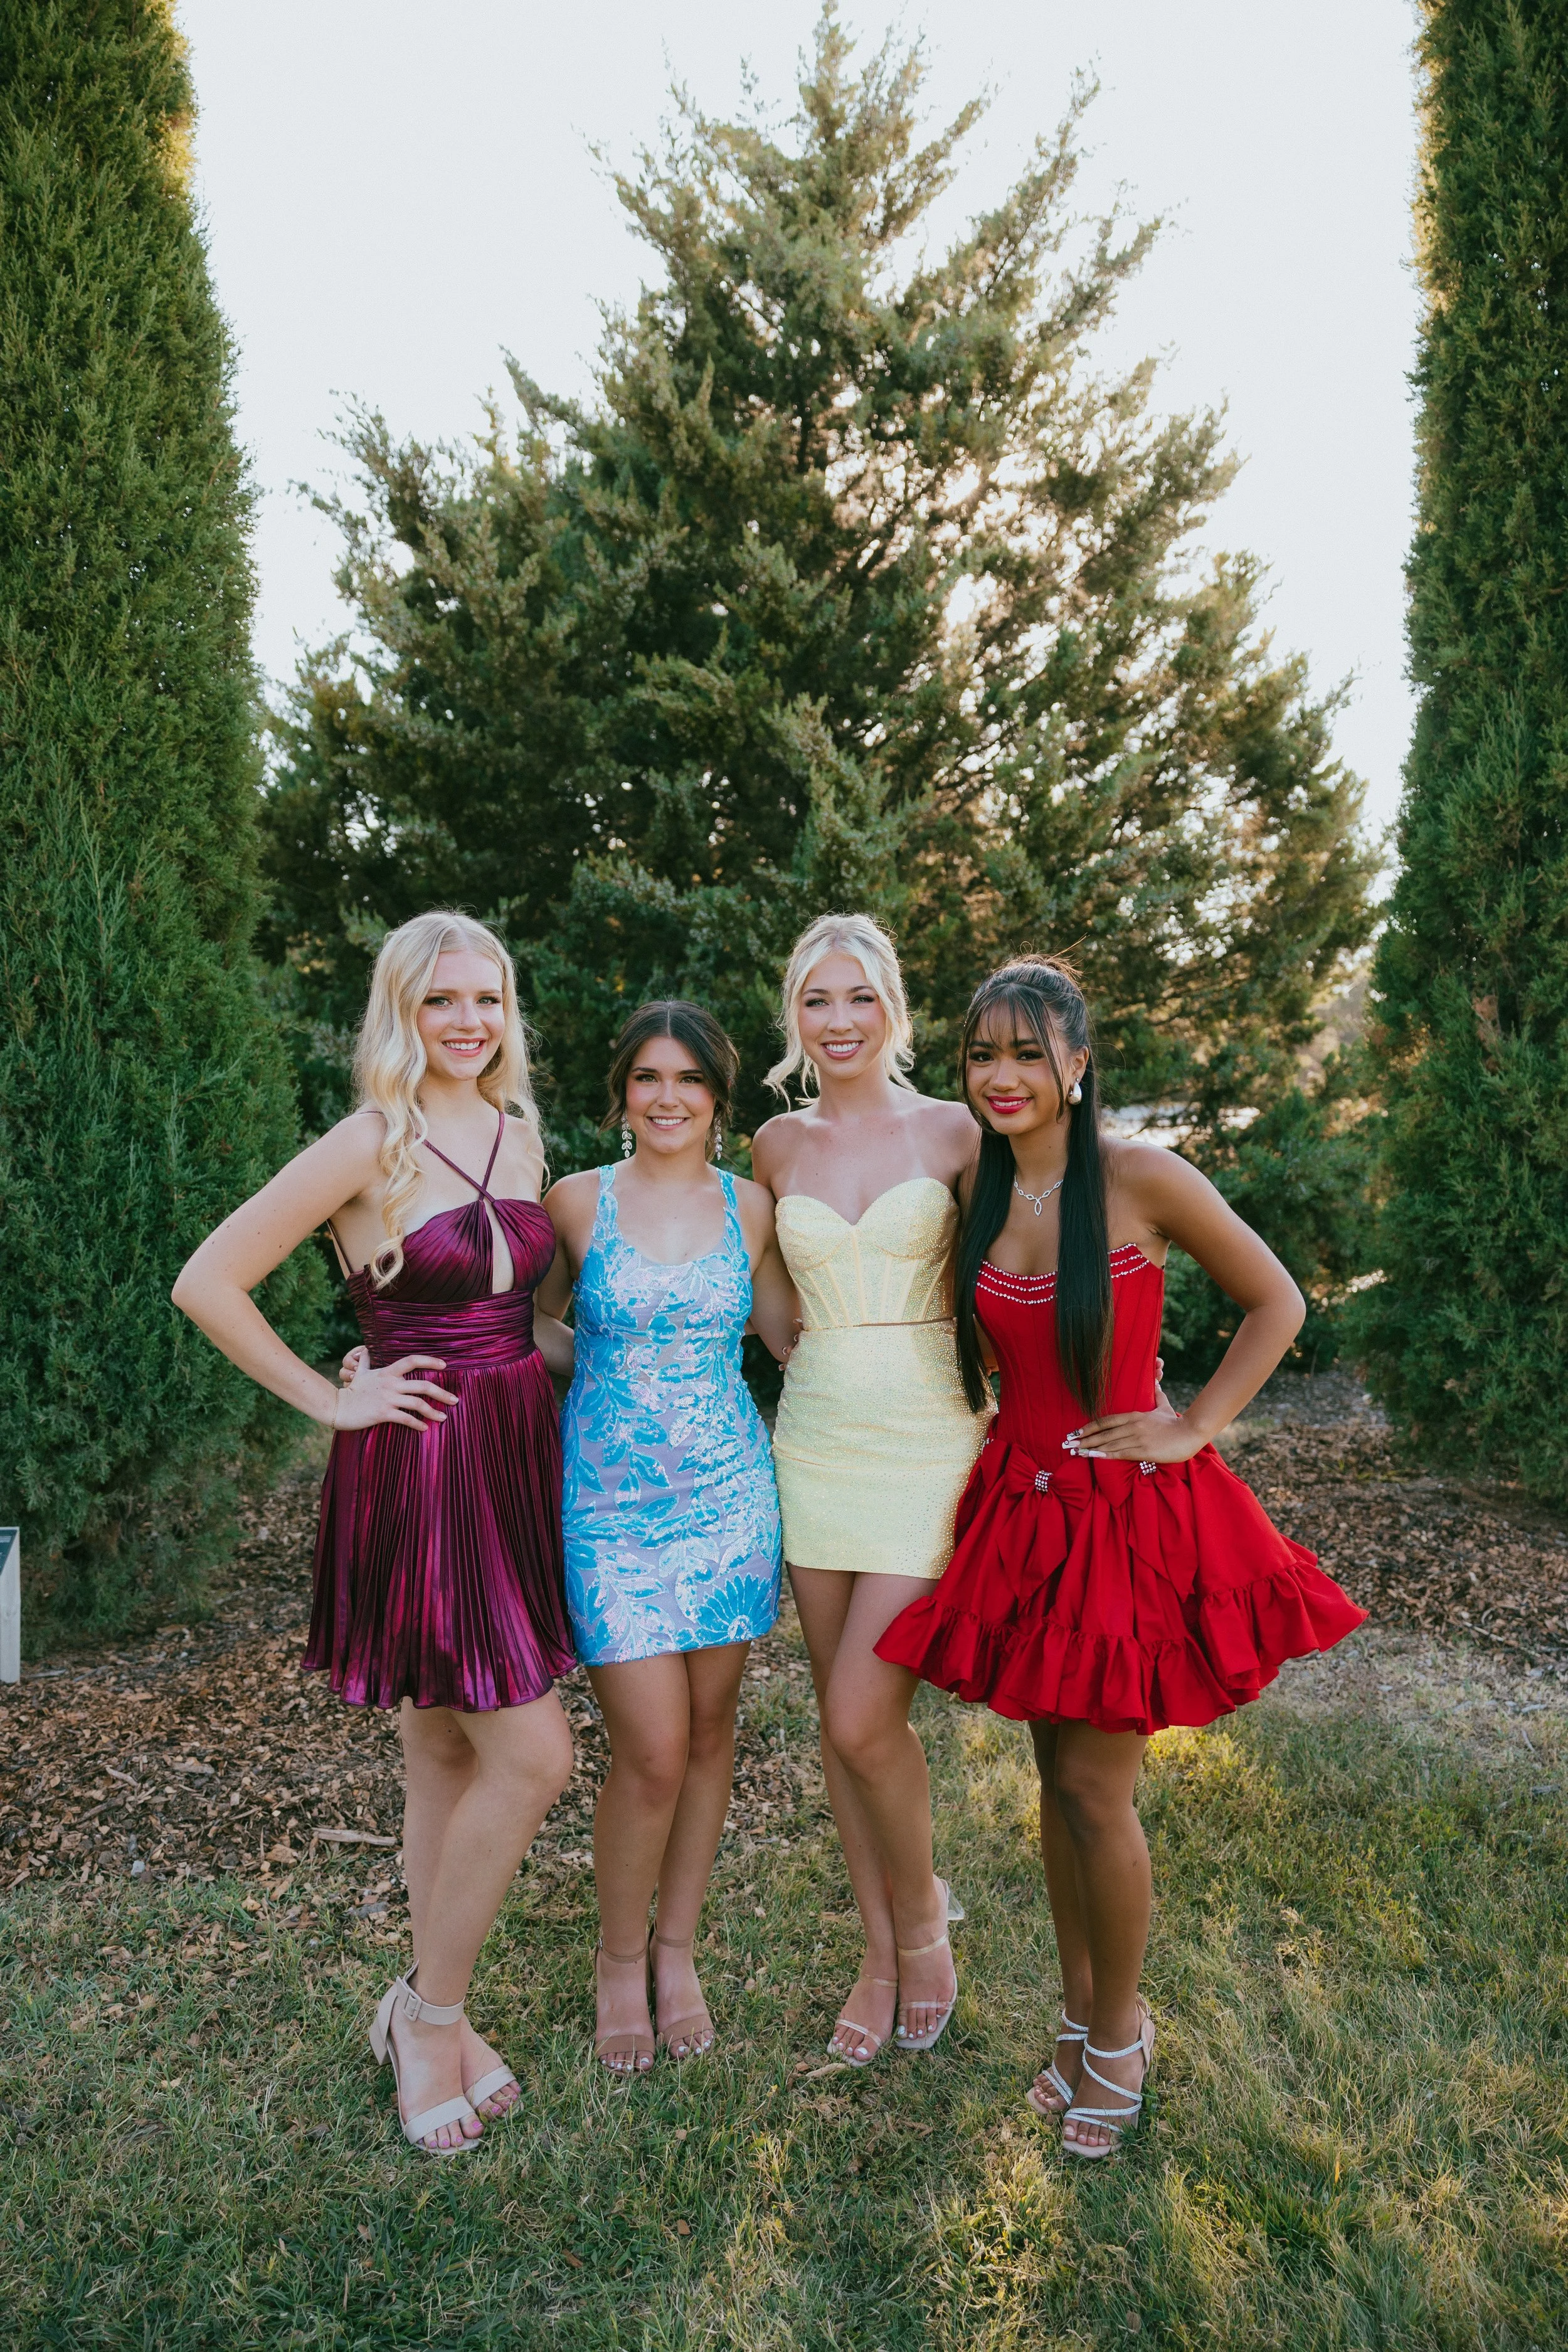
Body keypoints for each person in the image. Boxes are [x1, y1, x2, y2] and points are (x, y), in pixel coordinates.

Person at [877, 955, 1367, 2156]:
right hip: (1025, 1507)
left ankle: (1121, 2033)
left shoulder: (1138, 1176)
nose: (1003, 1075)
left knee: (1099, 1791)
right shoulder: (985, 1188)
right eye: (983, 1053)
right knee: (1057, 1787)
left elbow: (1279, 1301)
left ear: (1079, 1064)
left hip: (1127, 1518)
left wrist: (1193, 1421)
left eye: (1028, 1052)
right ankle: (1081, 2014)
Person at [172, 911, 576, 2157]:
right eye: (441, 1001)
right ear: (400, 1013)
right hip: (419, 1465)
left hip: (509, 1457)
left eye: (487, 1000)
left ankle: (429, 2014)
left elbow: (521, 1320)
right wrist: (333, 1393)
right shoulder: (369, 1140)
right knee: (534, 1755)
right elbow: (207, 1280)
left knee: (443, 1756)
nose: (467, 1022)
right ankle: (428, 2013)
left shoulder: (518, 1135)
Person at [538, 1001, 797, 2074]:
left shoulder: (754, 1207)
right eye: (648, 1076)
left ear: (719, 1099)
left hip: (731, 1504)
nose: (668, 1097)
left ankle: (677, 1949)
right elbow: (535, 1326)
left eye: (689, 1079)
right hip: (608, 1513)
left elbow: (789, 1337)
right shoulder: (573, 1203)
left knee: (708, 1734)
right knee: (648, 1750)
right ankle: (616, 1960)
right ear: (622, 1092)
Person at [751, 914, 992, 2067]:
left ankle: (925, 1918)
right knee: (836, 1727)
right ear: (793, 1016)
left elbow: (1025, 1256)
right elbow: (761, 1294)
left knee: (865, 1711)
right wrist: (807, 1354)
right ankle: (877, 1949)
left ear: (891, 1005)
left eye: (857, 998)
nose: (837, 1021)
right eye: (816, 1001)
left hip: (930, 1436)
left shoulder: (955, 1129)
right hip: (815, 1440)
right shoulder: (774, 1146)